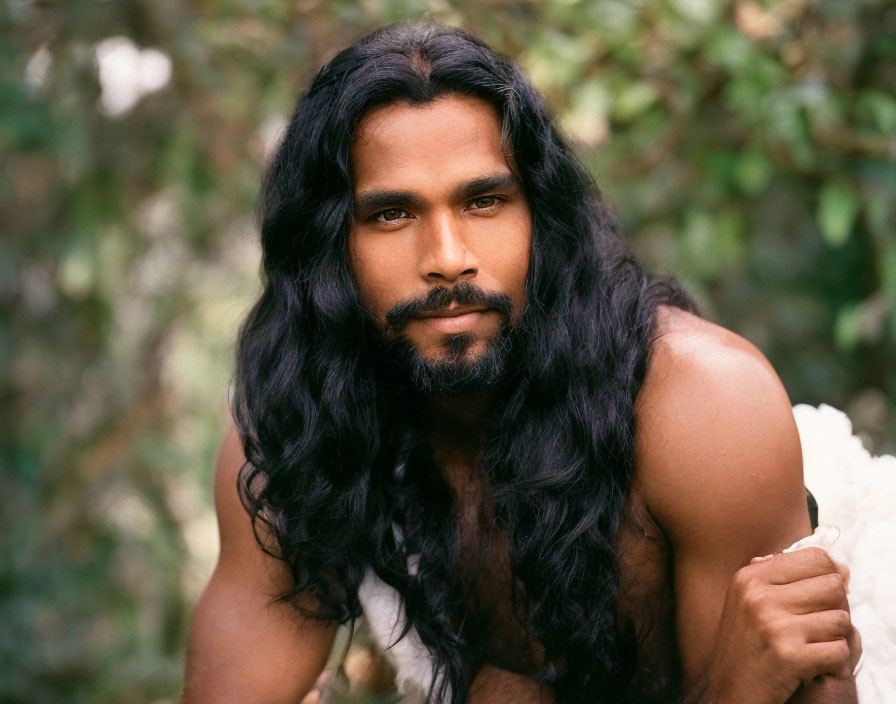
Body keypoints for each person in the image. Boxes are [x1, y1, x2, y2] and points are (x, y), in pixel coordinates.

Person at [181, 22, 870, 704]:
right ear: (330, 245)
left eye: (485, 201)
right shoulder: (295, 429)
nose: (448, 257)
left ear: (540, 217)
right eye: (392, 214)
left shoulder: (705, 406)